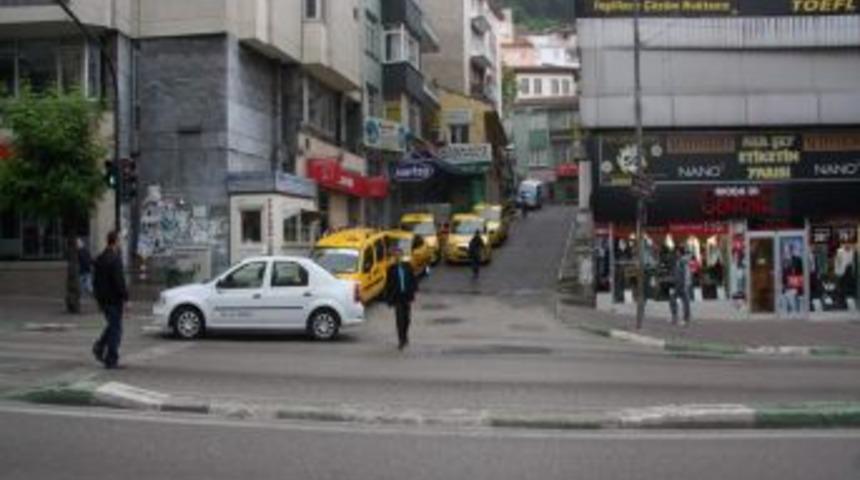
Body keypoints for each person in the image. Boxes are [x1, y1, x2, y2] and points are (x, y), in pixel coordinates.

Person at [92, 231, 128, 368]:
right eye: (120, 240)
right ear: (116, 242)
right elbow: (119, 281)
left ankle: (100, 347)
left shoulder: (100, 258)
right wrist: (126, 298)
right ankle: (111, 359)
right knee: (116, 330)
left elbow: (95, 281)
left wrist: (98, 298)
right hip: (114, 299)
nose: (121, 243)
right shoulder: (114, 259)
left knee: (112, 326)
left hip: (104, 300)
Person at [385, 246, 418, 350]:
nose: (397, 257)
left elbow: (413, 279)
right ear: (394, 257)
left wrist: (413, 291)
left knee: (407, 319)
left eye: (399, 254)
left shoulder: (407, 266)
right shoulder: (391, 269)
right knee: (400, 319)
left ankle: (405, 335)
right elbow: (388, 285)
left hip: (407, 296)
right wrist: (388, 299)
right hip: (397, 297)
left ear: (402, 256)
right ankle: (401, 340)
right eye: (395, 255)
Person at [669, 246, 692, 326]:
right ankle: (677, 317)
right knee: (677, 300)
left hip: (682, 284)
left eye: (677, 251)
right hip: (680, 284)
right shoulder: (680, 261)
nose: (676, 253)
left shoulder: (682, 261)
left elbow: (685, 274)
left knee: (685, 302)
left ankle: (684, 318)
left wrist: (684, 284)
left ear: (680, 252)